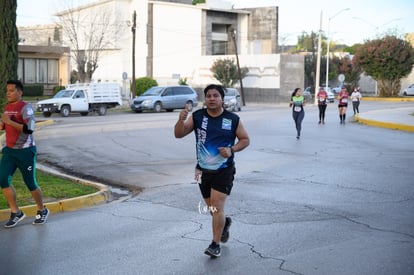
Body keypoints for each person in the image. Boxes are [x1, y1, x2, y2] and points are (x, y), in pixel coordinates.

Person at [174, 84, 250, 258]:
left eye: (216, 95)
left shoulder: (232, 119)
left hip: (224, 170)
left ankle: (215, 244)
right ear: (205, 99)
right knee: (213, 210)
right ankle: (224, 224)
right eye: (208, 96)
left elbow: (245, 140)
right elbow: (179, 134)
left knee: (217, 207)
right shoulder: (198, 116)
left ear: (222, 99)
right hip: (202, 171)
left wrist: (232, 149)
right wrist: (180, 120)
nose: (212, 98)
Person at [0, 80, 49, 228]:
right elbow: (5, 126)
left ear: (20, 92)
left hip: (26, 151)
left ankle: (42, 210)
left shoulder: (26, 108)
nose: (8, 93)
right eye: (7, 91)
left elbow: (29, 129)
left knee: (30, 183)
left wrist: (8, 122)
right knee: (2, 179)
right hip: (9, 151)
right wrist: (3, 124)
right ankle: (16, 212)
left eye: (11, 90)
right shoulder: (7, 108)